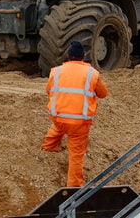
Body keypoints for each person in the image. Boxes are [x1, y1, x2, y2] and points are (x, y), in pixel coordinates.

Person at [42, 40, 108, 188]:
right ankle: (74, 186)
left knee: (58, 128)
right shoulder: (92, 74)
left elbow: (49, 90)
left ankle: (48, 148)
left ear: (68, 56)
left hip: (59, 117)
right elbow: (103, 93)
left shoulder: (56, 71)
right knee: (76, 155)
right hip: (79, 123)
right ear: (83, 57)